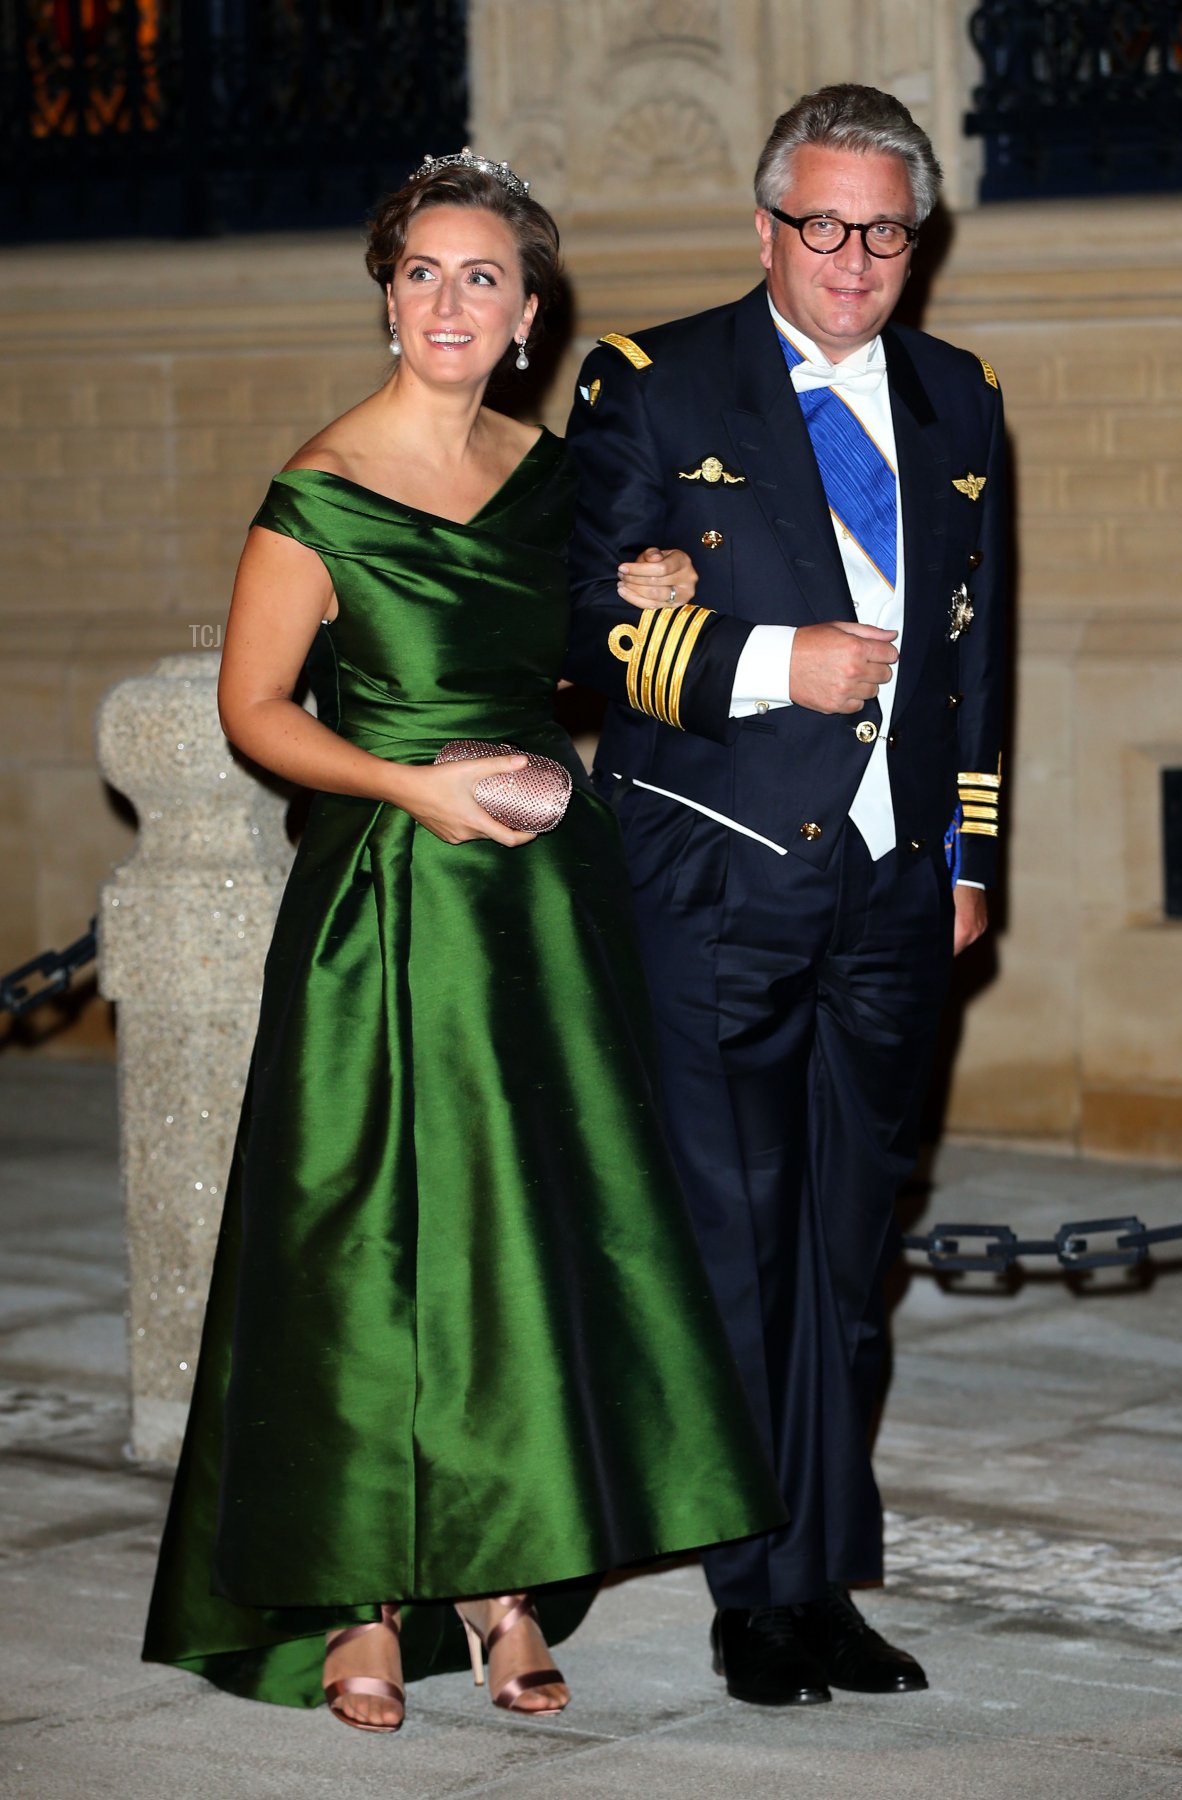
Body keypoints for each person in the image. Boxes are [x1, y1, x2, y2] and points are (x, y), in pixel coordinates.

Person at [141, 149, 783, 1734]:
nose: (448, 300)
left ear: (526, 315)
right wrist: (406, 786)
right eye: (422, 272)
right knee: (363, 1242)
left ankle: (504, 1582)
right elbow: (254, 710)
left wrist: (643, 583)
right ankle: (358, 1597)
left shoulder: (556, 478)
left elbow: (572, 662)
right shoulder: (319, 489)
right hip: (385, 906)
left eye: (480, 276)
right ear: (388, 299)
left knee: (521, 1239)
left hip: (542, 907)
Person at [564, 84, 1007, 1707]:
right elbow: (578, 620)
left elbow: (976, 651)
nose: (854, 259)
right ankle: (753, 1593)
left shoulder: (958, 398)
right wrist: (766, 661)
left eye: (885, 231)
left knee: (847, 1253)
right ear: (766, 229)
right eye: (823, 225)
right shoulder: (653, 379)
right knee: (739, 1247)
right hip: (716, 876)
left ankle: (820, 1580)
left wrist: (967, 859)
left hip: (892, 890)